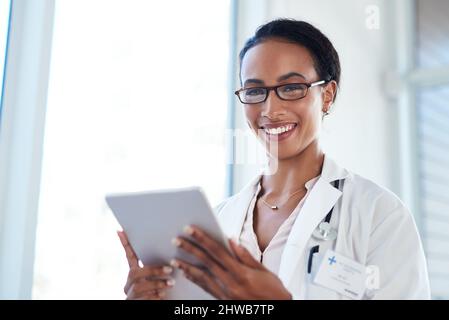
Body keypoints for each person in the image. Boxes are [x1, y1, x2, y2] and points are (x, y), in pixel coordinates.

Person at [117, 18, 430, 300]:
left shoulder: (378, 215)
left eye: (291, 88)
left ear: (327, 95)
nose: (270, 110)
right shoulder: (219, 219)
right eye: (255, 92)